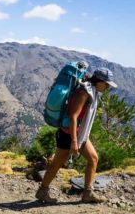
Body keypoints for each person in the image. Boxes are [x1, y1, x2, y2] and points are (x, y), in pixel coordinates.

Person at [35, 67, 118, 204]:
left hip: (73, 132)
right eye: (107, 84)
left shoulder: (90, 90)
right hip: (71, 134)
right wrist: (74, 142)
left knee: (61, 163)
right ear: (99, 81)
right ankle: (86, 193)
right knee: (90, 159)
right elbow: (73, 116)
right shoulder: (84, 92)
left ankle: (43, 191)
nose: (108, 87)